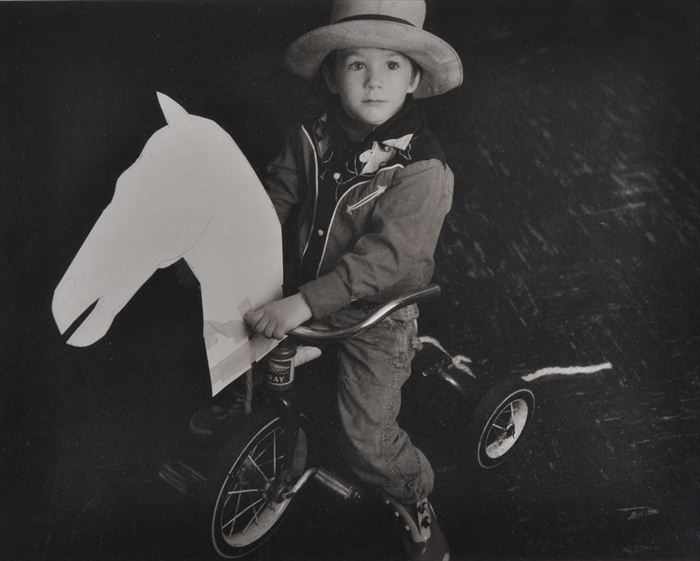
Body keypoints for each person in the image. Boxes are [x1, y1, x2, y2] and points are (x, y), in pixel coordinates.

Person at [194, 1, 462, 559]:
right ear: (333, 74)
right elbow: (279, 194)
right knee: (238, 331)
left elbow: (388, 262)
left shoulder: (422, 170)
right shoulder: (311, 135)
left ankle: (414, 497)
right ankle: (264, 432)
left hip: (375, 313)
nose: (373, 81)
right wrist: (231, 244)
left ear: (413, 78)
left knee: (365, 438)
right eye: (357, 65)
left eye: (391, 66)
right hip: (303, 292)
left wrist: (302, 305)